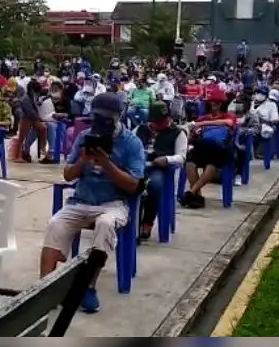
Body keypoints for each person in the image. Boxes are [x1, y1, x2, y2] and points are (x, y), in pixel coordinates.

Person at [40, 93, 145, 314]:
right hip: (81, 200)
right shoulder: (84, 137)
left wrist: (107, 164)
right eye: (97, 118)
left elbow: (134, 185)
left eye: (106, 119)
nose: (101, 123)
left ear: (118, 117)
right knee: (55, 224)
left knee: (105, 225)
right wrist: (83, 160)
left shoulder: (131, 143)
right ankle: (43, 289)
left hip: (113, 203)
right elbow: (68, 175)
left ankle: (88, 286)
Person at [134, 102, 188, 241]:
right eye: (156, 121)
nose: (160, 124)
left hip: (158, 167)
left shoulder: (178, 133)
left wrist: (167, 159)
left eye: (163, 120)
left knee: (154, 186)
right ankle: (131, 222)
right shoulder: (141, 129)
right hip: (138, 166)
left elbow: (181, 157)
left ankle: (147, 222)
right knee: (125, 183)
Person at [182, 88, 237, 209]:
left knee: (211, 163)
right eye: (212, 102)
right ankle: (197, 196)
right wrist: (194, 132)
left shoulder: (229, 116)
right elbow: (192, 137)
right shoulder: (202, 117)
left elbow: (229, 123)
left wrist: (203, 124)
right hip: (202, 147)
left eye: (218, 102)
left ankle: (192, 192)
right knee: (190, 163)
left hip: (220, 149)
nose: (214, 104)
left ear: (222, 104)